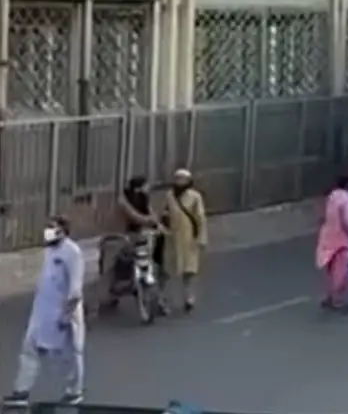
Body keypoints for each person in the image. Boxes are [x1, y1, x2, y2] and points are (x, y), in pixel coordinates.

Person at [4, 216, 85, 406]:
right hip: (41, 311)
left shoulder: (72, 252)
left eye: (53, 227)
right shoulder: (48, 251)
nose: (48, 231)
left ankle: (74, 391)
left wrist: (66, 315)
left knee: (68, 354)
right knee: (29, 349)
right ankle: (21, 392)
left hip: (62, 314)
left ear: (63, 231)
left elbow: (75, 289)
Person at [98, 175, 163, 312]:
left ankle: (156, 298)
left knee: (148, 260)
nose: (148, 189)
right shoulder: (123, 201)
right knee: (109, 267)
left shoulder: (144, 200)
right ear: (138, 188)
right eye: (146, 186)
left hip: (134, 236)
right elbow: (136, 217)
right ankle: (102, 299)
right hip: (116, 236)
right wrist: (151, 220)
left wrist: (159, 226)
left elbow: (151, 215)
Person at [165, 169, 208, 312]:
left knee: (189, 271)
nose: (179, 181)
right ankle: (166, 299)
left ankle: (189, 297)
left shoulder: (195, 197)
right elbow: (166, 214)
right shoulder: (170, 195)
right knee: (169, 270)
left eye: (182, 179)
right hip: (173, 238)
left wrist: (201, 238)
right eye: (177, 178)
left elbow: (200, 218)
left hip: (190, 238)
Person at [315, 174, 348, 309]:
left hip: (328, 235)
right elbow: (347, 220)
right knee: (340, 270)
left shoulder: (332, 195)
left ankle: (329, 295)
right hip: (342, 239)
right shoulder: (347, 198)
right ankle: (336, 298)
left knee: (330, 269)